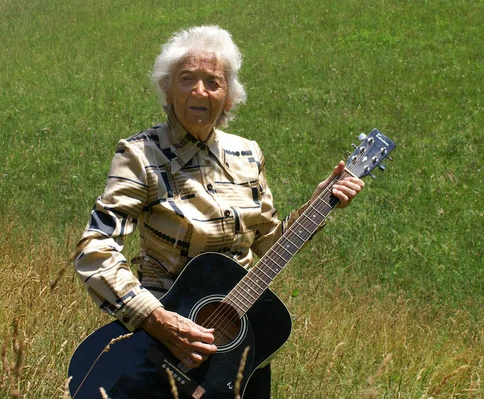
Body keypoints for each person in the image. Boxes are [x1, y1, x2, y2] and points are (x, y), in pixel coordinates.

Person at [72, 25, 364, 398]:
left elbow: (270, 243)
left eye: (213, 82)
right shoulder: (141, 155)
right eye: (187, 79)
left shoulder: (248, 154)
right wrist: (155, 318)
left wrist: (318, 204)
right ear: (167, 89)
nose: (199, 91)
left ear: (228, 98)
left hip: (236, 348)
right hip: (156, 343)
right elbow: (95, 247)